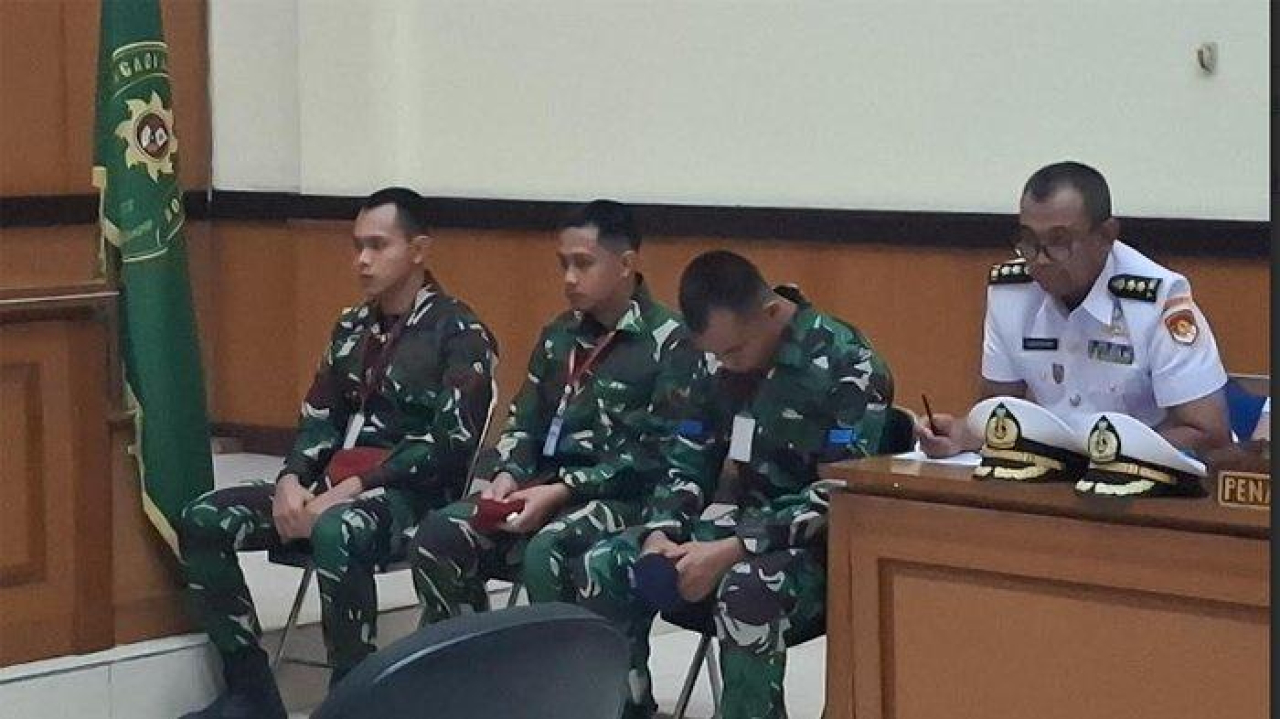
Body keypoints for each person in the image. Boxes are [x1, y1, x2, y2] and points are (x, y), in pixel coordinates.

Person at [177, 187, 498, 718]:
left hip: (411, 496)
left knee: (336, 529)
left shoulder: (460, 333)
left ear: (419, 250)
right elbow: (319, 420)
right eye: (357, 246)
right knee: (204, 517)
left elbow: (450, 444)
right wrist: (291, 481)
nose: (362, 260)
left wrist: (353, 488)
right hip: (337, 487)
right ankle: (250, 691)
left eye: (378, 246)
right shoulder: (352, 327)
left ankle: (353, 698)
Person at [576, 250, 894, 719]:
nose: (724, 364)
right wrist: (663, 532)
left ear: (771, 313)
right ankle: (625, 709)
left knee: (746, 589)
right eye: (715, 354)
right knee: (605, 562)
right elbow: (688, 456)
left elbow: (841, 494)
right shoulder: (713, 357)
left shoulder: (848, 363)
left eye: (735, 351)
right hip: (734, 525)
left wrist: (735, 549)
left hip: (818, 546)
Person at [408, 200, 707, 623]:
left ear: (625, 264)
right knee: (439, 534)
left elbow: (658, 455)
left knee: (548, 549)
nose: (569, 278)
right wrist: (508, 474)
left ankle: (561, 665)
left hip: (625, 498)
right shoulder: (559, 335)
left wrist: (564, 490)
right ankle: (469, 653)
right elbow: (525, 421)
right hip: (543, 488)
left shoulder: (672, 342)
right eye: (563, 264)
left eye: (583, 264)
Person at [917, 161, 1230, 457]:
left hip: (1142, 479)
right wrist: (962, 434)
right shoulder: (1011, 293)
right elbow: (999, 409)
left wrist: (1098, 454)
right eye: (1028, 240)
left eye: (1059, 241)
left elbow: (1209, 434)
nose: (1040, 259)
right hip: (1054, 476)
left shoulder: (1156, 299)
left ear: (1106, 236)